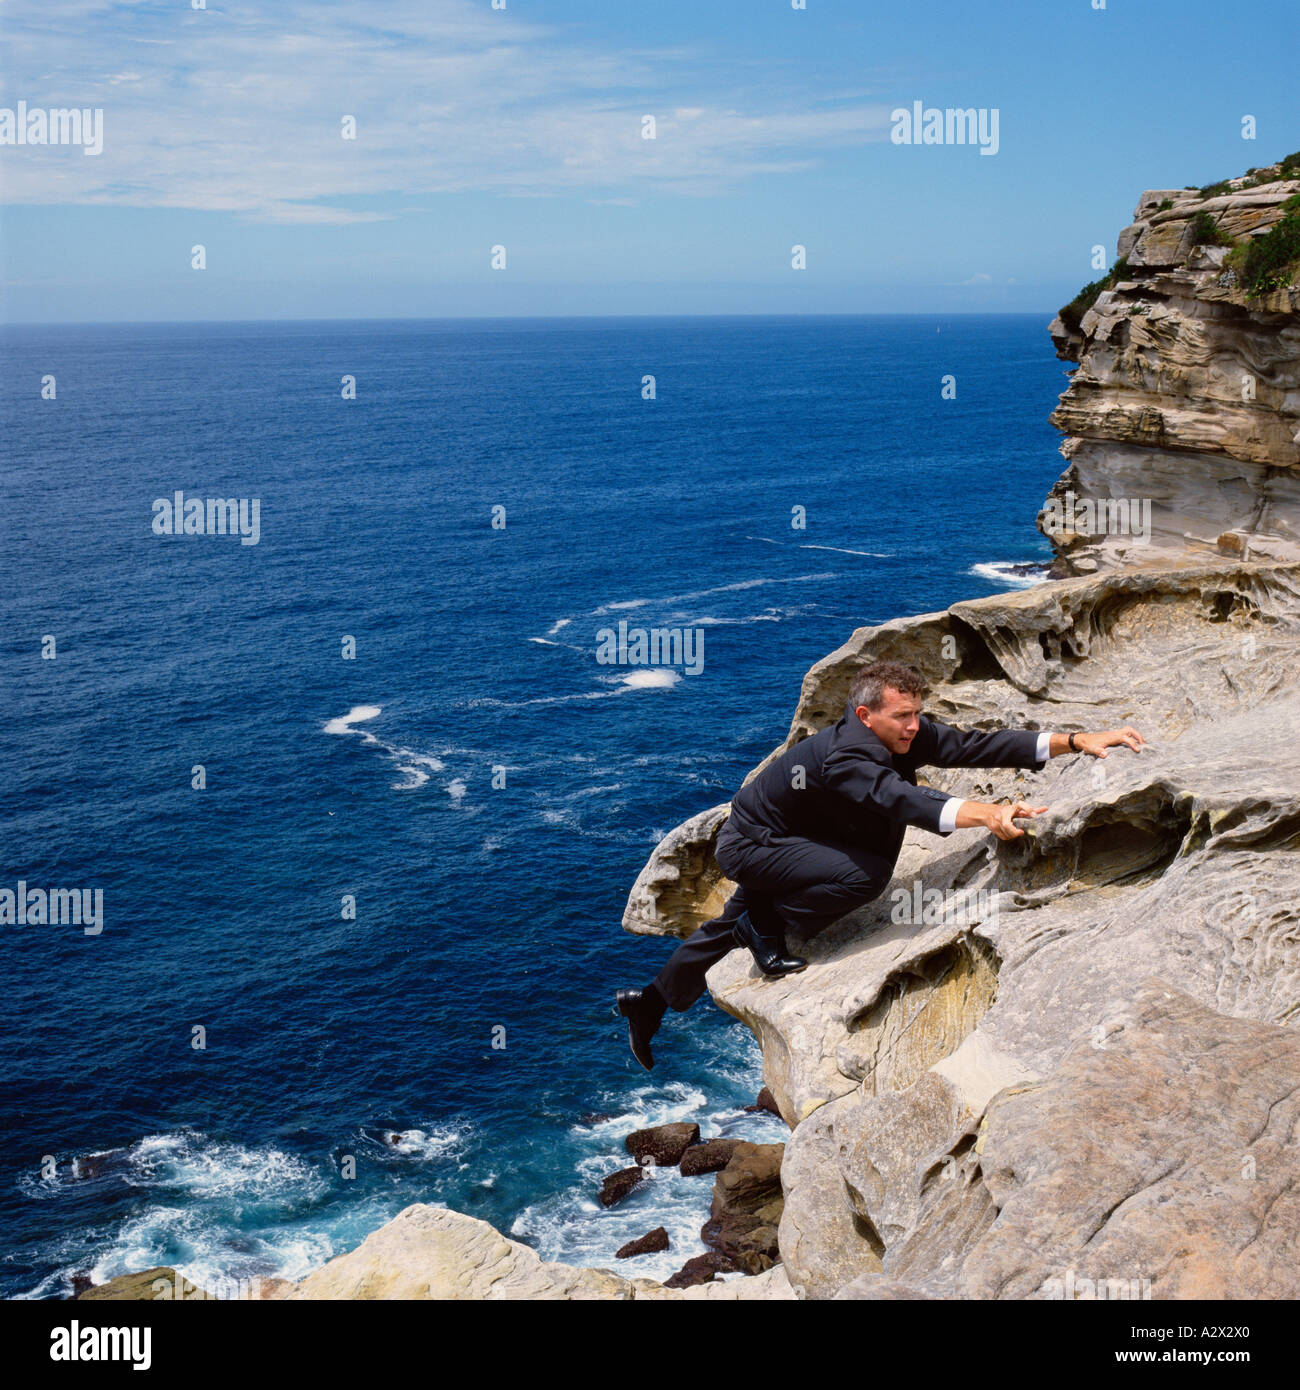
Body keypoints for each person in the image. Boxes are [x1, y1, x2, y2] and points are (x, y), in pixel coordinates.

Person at [614, 659, 1144, 1070]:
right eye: (903, 716)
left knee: (726, 928)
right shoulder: (848, 753)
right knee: (862, 876)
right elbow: (898, 799)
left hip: (796, 836)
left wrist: (1074, 740)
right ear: (865, 716)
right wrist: (986, 813)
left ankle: (650, 1003)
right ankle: (767, 924)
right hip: (754, 845)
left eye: (918, 713)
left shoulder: (902, 734)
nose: (916, 726)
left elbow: (975, 745)